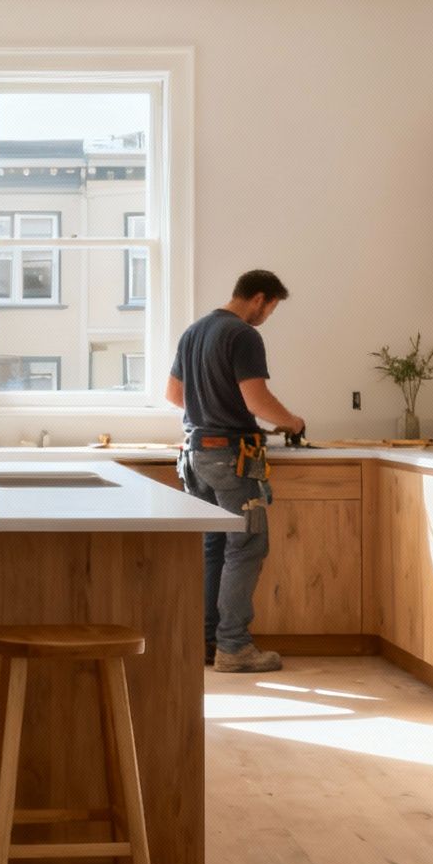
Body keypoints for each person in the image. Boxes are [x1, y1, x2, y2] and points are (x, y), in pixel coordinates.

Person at [166, 270, 305, 674]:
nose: (267, 317)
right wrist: (292, 422)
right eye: (271, 309)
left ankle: (208, 642)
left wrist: (210, 409)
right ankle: (234, 647)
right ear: (259, 298)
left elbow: (174, 395)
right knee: (246, 547)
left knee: (214, 546)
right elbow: (257, 399)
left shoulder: (194, 332)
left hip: (195, 456)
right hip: (231, 458)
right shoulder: (243, 335)